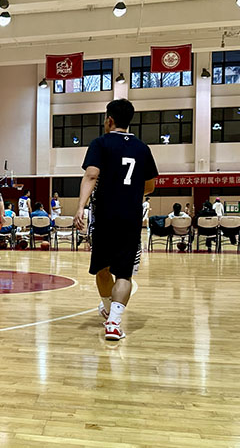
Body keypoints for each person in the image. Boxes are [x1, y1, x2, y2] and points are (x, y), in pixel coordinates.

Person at [75, 99, 158, 341]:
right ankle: (114, 322)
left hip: (104, 215)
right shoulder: (143, 148)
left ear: (109, 120)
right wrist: (130, 192)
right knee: (124, 273)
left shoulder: (100, 143)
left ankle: (108, 307)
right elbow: (150, 186)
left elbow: (91, 175)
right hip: (130, 216)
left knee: (101, 268)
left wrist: (80, 207)